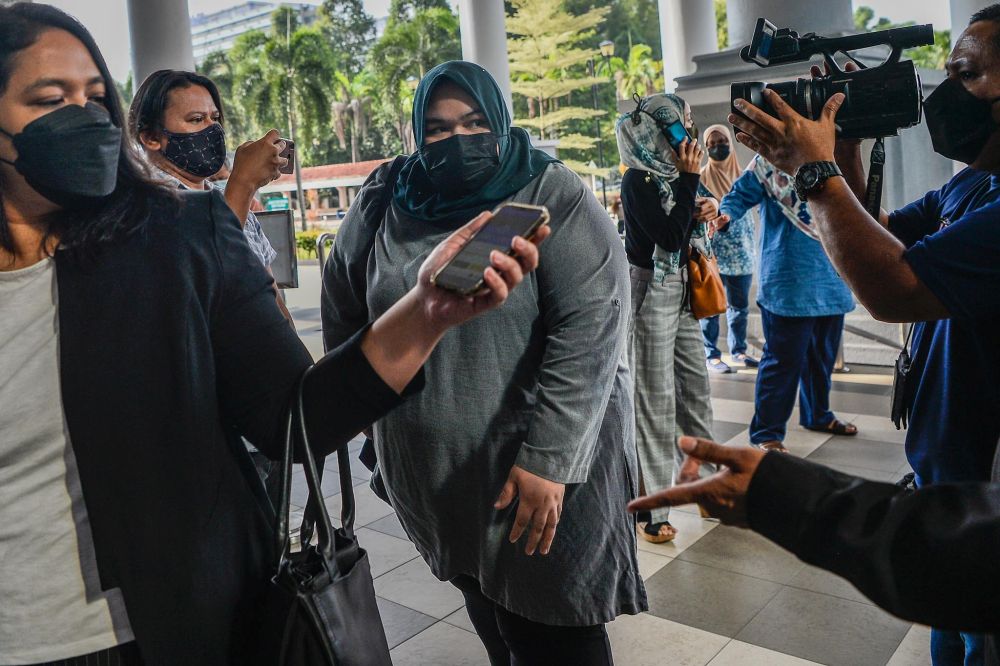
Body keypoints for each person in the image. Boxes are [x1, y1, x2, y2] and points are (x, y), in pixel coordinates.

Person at [0, 7, 545, 664]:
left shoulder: (178, 237)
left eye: (95, 98)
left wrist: (426, 312)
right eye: (51, 99)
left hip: (161, 631)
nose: (84, 118)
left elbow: (293, 419)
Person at [322, 61, 643, 666]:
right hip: (436, 480)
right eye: (438, 130)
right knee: (492, 618)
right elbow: (343, 302)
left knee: (555, 631)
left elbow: (593, 330)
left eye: (473, 123)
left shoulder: (549, 191)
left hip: (538, 479)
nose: (458, 141)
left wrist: (548, 460)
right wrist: (365, 408)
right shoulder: (387, 198)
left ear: (498, 119)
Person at [724, 4, 1000, 664]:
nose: (945, 89)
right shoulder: (970, 187)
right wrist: (838, 155)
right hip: (945, 478)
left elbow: (892, 289)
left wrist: (814, 173)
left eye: (964, 72)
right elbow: (879, 235)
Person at [628, 437, 1000, 666]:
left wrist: (781, 492)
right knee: (952, 626)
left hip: (964, 481)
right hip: (950, 462)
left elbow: (963, 557)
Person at [616, 93, 720, 543]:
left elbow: (699, 215)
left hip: (685, 288)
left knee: (696, 387)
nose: (686, 137)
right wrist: (691, 180)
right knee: (654, 397)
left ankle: (707, 485)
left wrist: (712, 207)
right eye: (676, 129)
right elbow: (670, 237)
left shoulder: (676, 176)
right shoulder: (638, 180)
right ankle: (652, 506)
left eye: (685, 126)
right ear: (652, 134)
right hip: (651, 290)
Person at [718, 153, 858, 452]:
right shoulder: (770, 161)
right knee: (783, 361)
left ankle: (818, 415)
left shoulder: (828, 153)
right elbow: (738, 196)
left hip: (832, 274)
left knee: (822, 358)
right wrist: (725, 215)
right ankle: (767, 432)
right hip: (787, 277)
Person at [128, 69, 290, 319]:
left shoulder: (227, 195)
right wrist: (243, 183)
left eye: (214, 118)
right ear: (151, 137)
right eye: (196, 119)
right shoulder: (143, 205)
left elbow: (269, 290)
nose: (212, 129)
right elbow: (206, 279)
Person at [699, 123, 758, 373]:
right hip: (713, 253)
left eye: (721, 142)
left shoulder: (743, 178)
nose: (716, 148)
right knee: (712, 306)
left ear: (730, 144)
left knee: (739, 307)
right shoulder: (700, 178)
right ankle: (712, 354)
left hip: (742, 253)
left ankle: (739, 351)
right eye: (711, 145)